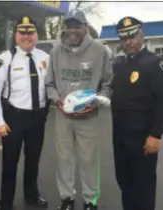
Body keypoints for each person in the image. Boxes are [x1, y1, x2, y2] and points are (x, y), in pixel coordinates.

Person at [45, 10, 113, 210]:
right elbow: (49, 84)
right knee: (64, 158)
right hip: (63, 116)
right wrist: (57, 100)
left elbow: (108, 84)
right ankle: (67, 198)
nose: (73, 30)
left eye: (78, 26)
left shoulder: (99, 51)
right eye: (70, 25)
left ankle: (90, 201)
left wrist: (97, 102)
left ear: (85, 27)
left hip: (88, 116)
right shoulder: (55, 52)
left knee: (89, 159)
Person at [111, 16, 163, 210]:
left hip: (143, 138)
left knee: (143, 187)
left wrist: (155, 134)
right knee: (125, 183)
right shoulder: (119, 65)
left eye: (132, 36)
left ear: (142, 36)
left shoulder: (155, 64)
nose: (128, 41)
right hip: (120, 137)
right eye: (124, 38)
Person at [0, 16, 49, 210]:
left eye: (30, 33)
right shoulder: (4, 59)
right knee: (10, 162)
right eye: (22, 33)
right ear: (15, 35)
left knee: (33, 159)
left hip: (37, 118)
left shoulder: (44, 57)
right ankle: (6, 202)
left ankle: (31, 195)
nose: (27, 37)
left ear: (36, 35)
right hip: (14, 118)